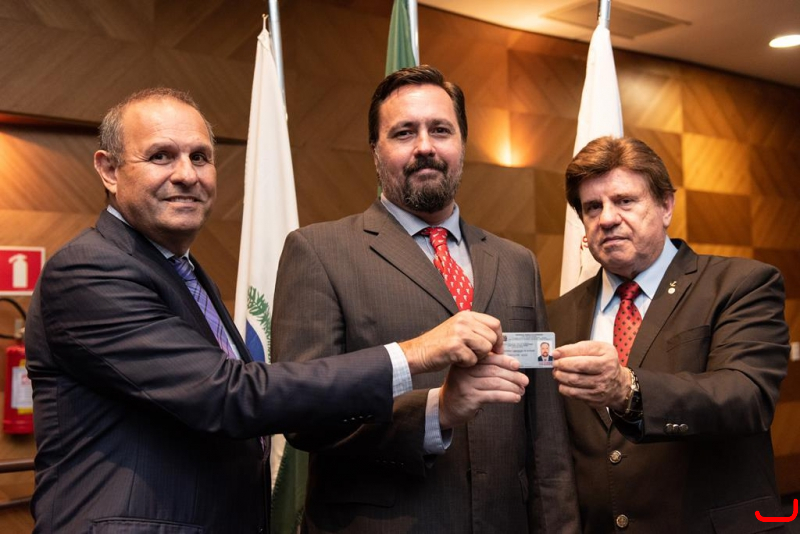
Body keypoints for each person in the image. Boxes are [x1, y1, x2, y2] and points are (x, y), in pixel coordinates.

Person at [24, 87, 529, 534]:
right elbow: (228, 396)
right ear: (109, 170)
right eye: (161, 156)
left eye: (201, 157)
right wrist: (415, 354)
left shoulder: (183, 271)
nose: (187, 175)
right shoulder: (89, 270)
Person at [272, 65, 578, 533]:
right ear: (375, 150)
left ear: (462, 144)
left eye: (440, 130)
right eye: (403, 132)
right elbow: (301, 413)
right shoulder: (318, 252)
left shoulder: (518, 262)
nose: (425, 147)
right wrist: (436, 411)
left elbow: (545, 435)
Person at [548, 136, 790, 533]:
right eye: (592, 207)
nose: (607, 218)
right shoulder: (557, 314)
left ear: (665, 206)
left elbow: (747, 396)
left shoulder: (741, 284)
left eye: (625, 201)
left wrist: (629, 389)